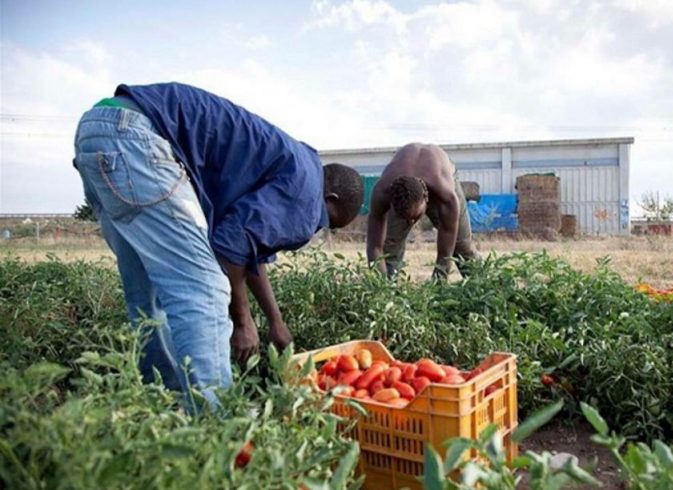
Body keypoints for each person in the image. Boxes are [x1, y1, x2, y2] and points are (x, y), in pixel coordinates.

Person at [73, 82, 363, 408]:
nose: (314, 228)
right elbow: (231, 248)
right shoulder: (307, 197)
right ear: (330, 198)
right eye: (325, 221)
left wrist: (275, 321)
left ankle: (164, 408)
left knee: (148, 296)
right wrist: (243, 322)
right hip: (138, 139)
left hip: (100, 129)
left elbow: (249, 249)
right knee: (206, 290)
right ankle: (216, 428)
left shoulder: (296, 167)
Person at [366, 143, 479, 279]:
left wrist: (438, 285)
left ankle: (484, 289)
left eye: (415, 217)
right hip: (402, 182)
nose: (411, 222)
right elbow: (375, 247)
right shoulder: (382, 192)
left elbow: (445, 255)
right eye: (405, 218)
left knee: (462, 247)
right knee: (389, 248)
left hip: (441, 173)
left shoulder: (447, 196)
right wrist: (379, 286)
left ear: (427, 197)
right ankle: (389, 291)